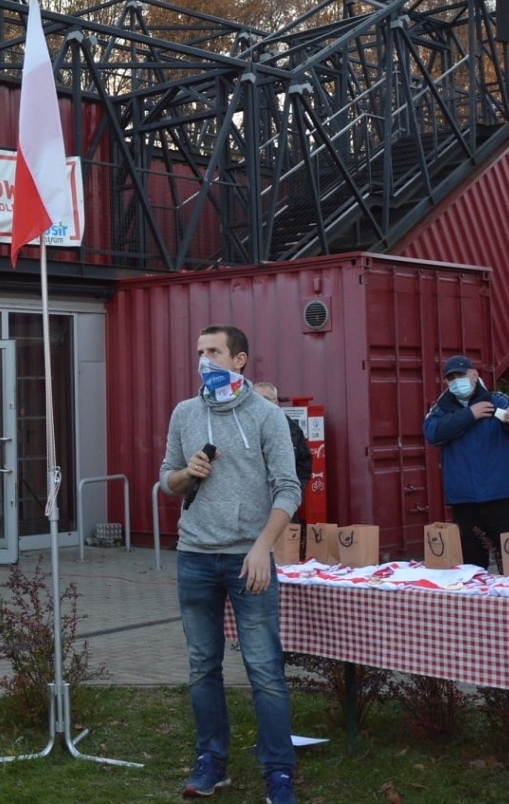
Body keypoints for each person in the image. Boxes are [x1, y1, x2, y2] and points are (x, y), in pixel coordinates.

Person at [160, 324, 301, 804]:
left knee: (264, 670)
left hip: (248, 558)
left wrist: (262, 546)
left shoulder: (266, 416)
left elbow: (289, 487)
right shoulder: (185, 413)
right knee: (202, 667)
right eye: (199, 351)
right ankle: (211, 762)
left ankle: (279, 773)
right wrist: (185, 474)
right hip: (195, 557)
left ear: (239, 360)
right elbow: (166, 480)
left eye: (214, 352)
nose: (204, 360)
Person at [423, 354, 509, 569]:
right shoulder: (440, 410)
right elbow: (432, 433)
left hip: (504, 496)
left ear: (474, 374)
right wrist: (470, 414)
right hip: (465, 500)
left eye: (461, 375)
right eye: (451, 378)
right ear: (446, 382)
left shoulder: (497, 399)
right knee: (472, 568)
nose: (457, 382)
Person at [253, 382, 314, 489]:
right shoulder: (239, 426)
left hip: (280, 497)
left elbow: (303, 463)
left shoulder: (292, 429)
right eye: (257, 399)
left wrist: (293, 493)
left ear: (276, 402)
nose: (261, 404)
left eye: (266, 399)